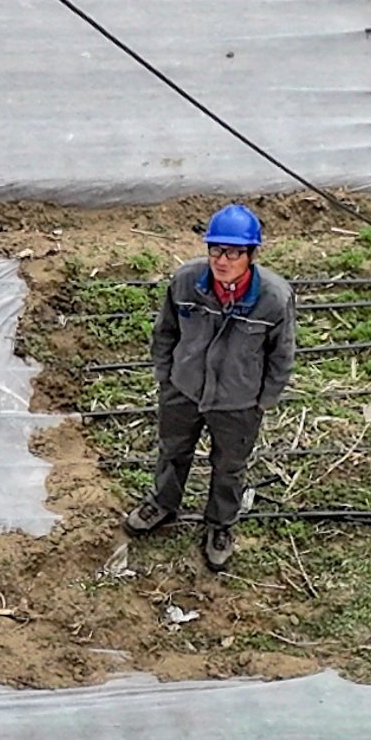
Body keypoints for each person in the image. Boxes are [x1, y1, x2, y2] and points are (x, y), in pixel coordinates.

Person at [122, 200, 294, 572]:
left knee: (230, 466)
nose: (222, 260)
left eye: (233, 252)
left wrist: (263, 400)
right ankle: (162, 503)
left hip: (238, 402)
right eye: (216, 250)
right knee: (173, 450)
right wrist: (167, 377)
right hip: (183, 390)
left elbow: (281, 356)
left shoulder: (273, 298)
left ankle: (220, 524)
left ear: (251, 255)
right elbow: (165, 333)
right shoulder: (187, 282)